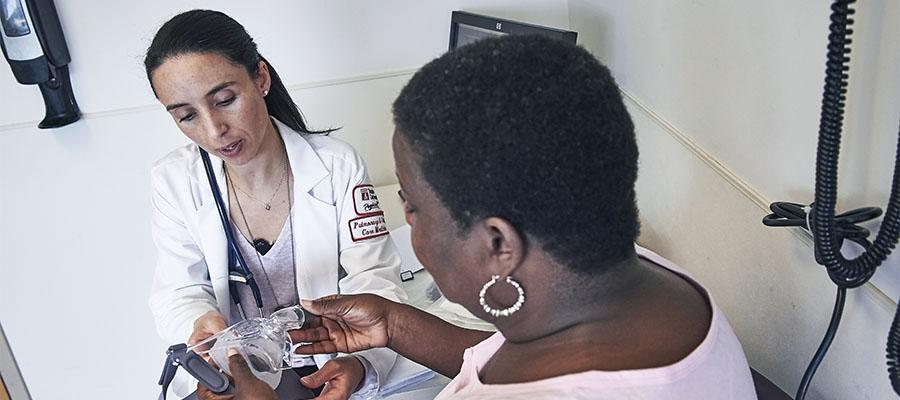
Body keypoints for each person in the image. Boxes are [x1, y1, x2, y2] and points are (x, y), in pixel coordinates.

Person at [222, 34, 759, 399]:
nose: (406, 218)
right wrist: (393, 323)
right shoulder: (630, 279)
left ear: (499, 242)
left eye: (412, 203)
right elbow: (512, 360)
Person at [145, 9, 405, 399]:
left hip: (329, 364)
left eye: (225, 100)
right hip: (235, 377)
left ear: (260, 79)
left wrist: (360, 364)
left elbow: (376, 281)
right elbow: (178, 291)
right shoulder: (174, 181)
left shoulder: (337, 166)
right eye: (186, 116)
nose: (214, 130)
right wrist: (200, 323)